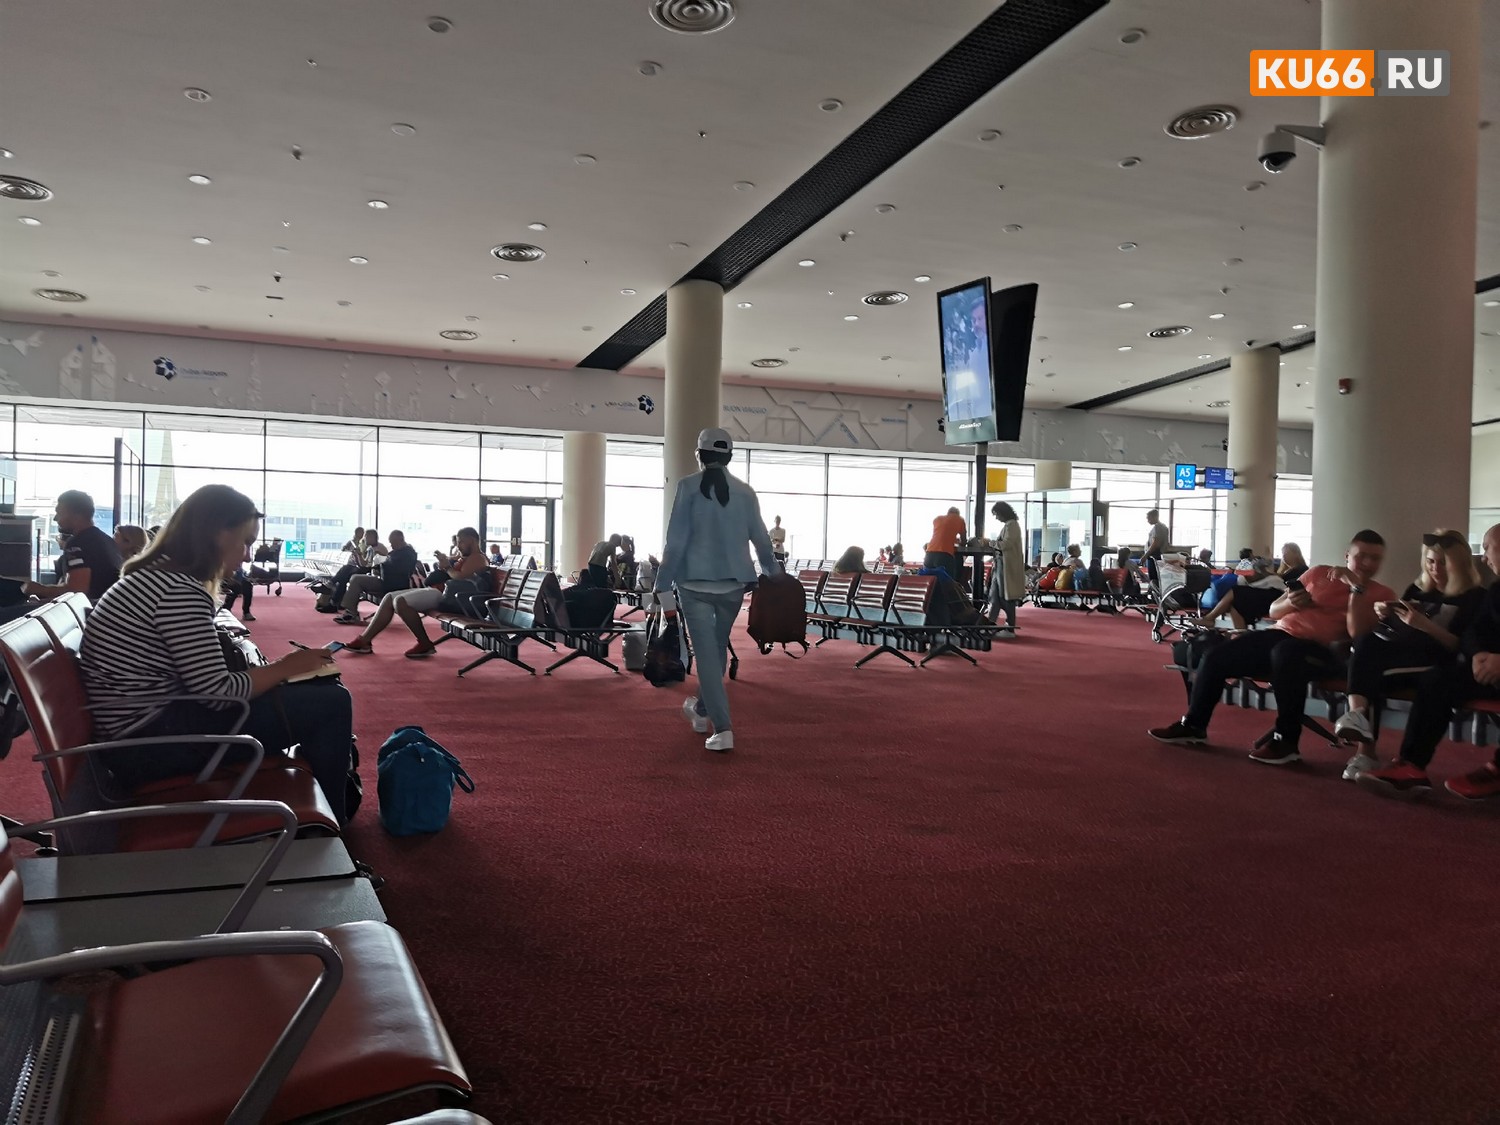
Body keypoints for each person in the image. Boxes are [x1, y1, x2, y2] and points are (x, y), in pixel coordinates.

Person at [76, 484, 354, 824]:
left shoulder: (154, 578)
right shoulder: (178, 590)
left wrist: (282, 672)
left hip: (139, 734)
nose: (248, 556)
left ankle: (321, 814)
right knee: (331, 702)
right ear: (218, 534)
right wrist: (286, 667)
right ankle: (332, 826)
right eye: (245, 542)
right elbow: (218, 693)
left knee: (312, 695)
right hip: (151, 747)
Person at [1148, 529, 1393, 765]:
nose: (1367, 563)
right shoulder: (1318, 573)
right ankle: (1194, 725)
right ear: (1347, 556)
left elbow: (1358, 634)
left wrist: (1356, 589)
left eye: (1375, 559)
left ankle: (1286, 741)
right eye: (1362, 556)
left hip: (1323, 651)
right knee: (1217, 655)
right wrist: (1292, 604)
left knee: (1286, 654)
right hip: (1279, 635)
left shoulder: (1381, 593)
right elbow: (1274, 610)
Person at [654, 428, 779, 753]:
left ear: (699, 455)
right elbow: (762, 541)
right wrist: (775, 575)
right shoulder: (746, 492)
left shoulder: (687, 487)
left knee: (708, 655)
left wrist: (662, 583)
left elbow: (676, 541)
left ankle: (723, 729)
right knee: (717, 647)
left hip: (693, 584)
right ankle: (701, 710)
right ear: (730, 457)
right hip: (734, 585)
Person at [1355, 525, 1500, 801]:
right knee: (1437, 679)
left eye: (1488, 548)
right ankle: (1411, 766)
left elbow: (1458, 638)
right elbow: (1475, 634)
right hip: (1486, 668)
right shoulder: (1496, 591)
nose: (1484, 558)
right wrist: (1480, 655)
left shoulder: (1478, 594)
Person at [1332, 530, 1482, 778]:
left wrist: (1426, 625)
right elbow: (1397, 627)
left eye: (1443, 563)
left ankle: (1366, 750)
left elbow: (1461, 647)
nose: (1435, 569)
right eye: (1430, 561)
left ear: (1459, 564)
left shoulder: (1473, 597)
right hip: (1403, 654)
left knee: (1371, 669)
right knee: (1366, 642)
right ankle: (1357, 717)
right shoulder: (1417, 588)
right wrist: (1387, 614)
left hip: (1436, 661)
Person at [344, 526, 486, 658]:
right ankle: (365, 640)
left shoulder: (478, 558)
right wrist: (444, 561)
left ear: (472, 541)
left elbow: (460, 577)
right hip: (441, 592)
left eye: (461, 542)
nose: (458, 546)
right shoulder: (464, 557)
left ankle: (424, 643)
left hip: (447, 596)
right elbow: (453, 570)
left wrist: (447, 567)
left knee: (400, 602)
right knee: (389, 598)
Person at [12, 490, 123, 620]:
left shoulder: (78, 543)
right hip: (102, 611)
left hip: (89, 615)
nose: (55, 518)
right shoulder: (106, 541)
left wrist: (39, 589)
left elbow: (77, 591)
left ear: (76, 515)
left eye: (59, 513)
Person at [335, 529, 420, 624]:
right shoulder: (399, 552)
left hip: (393, 585)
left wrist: (380, 566)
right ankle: (349, 611)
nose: (391, 545)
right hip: (387, 581)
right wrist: (379, 567)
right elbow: (389, 565)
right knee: (355, 577)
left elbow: (398, 569)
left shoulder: (408, 554)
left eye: (393, 542)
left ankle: (349, 612)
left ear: (401, 540)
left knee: (356, 579)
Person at [983, 501, 1025, 630]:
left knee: (1004, 595)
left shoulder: (1012, 525)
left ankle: (1009, 625)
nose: (996, 518)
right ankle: (990, 623)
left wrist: (990, 543)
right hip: (1000, 564)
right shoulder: (1009, 525)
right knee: (995, 595)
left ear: (1003, 513)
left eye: (997, 514)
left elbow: (1006, 544)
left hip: (1005, 565)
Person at [329, 528, 387, 610]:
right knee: (345, 574)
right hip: (369, 570)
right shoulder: (370, 548)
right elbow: (364, 564)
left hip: (374, 572)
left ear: (372, 537)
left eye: (365, 536)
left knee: (346, 572)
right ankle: (335, 600)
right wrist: (358, 555)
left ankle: (333, 595)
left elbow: (370, 565)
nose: (364, 539)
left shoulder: (379, 548)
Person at [924, 507, 967, 577]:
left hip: (929, 554)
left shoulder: (937, 519)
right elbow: (964, 541)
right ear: (958, 514)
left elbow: (941, 535)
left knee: (930, 580)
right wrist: (961, 543)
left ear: (948, 513)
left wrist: (954, 539)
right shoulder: (960, 519)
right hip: (944, 555)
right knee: (948, 580)